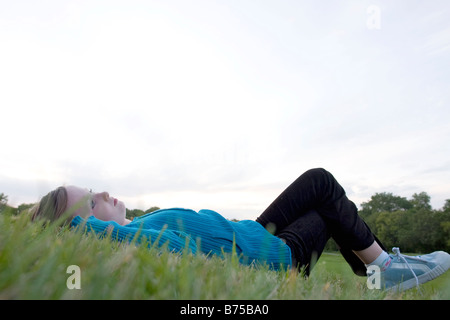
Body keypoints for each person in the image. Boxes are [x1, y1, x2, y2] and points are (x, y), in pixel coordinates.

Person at [31, 168, 450, 291]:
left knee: (325, 193)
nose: (103, 191)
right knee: (323, 190)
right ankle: (384, 270)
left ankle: (378, 269)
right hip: (277, 255)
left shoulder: (141, 222)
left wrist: (86, 214)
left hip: (257, 231)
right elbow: (88, 234)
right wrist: (78, 228)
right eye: (91, 201)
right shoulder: (136, 238)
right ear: (83, 225)